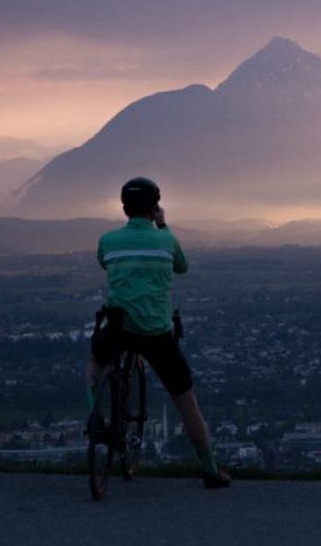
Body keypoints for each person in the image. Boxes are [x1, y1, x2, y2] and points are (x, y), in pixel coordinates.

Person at [86, 177, 230, 489]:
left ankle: (93, 415)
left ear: (124, 208)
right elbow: (183, 266)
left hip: (120, 326)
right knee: (187, 402)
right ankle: (210, 469)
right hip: (156, 332)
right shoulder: (166, 240)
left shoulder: (108, 240)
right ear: (154, 208)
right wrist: (163, 227)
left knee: (95, 363)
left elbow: (103, 263)